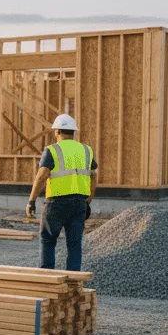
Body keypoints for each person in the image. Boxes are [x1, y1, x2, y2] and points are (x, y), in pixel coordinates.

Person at [26, 114, 97, 271]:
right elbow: (94, 176)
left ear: (57, 131)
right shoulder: (86, 150)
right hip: (79, 204)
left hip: (56, 204)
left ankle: (48, 279)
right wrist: (88, 201)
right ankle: (73, 283)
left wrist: (31, 201)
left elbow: (41, 176)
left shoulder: (52, 150)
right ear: (73, 132)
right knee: (74, 243)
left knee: (48, 240)